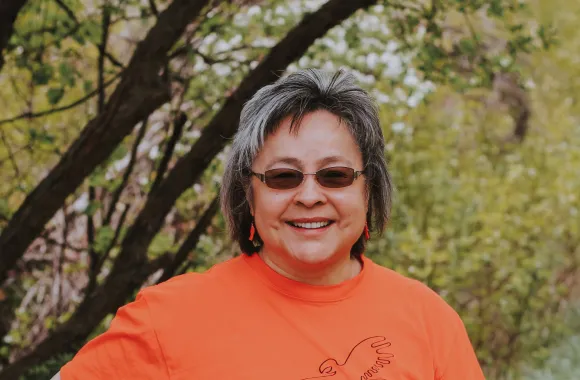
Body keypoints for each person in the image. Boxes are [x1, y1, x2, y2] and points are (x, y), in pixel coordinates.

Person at [54, 69, 485, 379]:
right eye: (284, 176)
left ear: (368, 188)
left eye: (334, 175)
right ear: (249, 192)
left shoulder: (428, 320)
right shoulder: (166, 320)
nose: (310, 195)